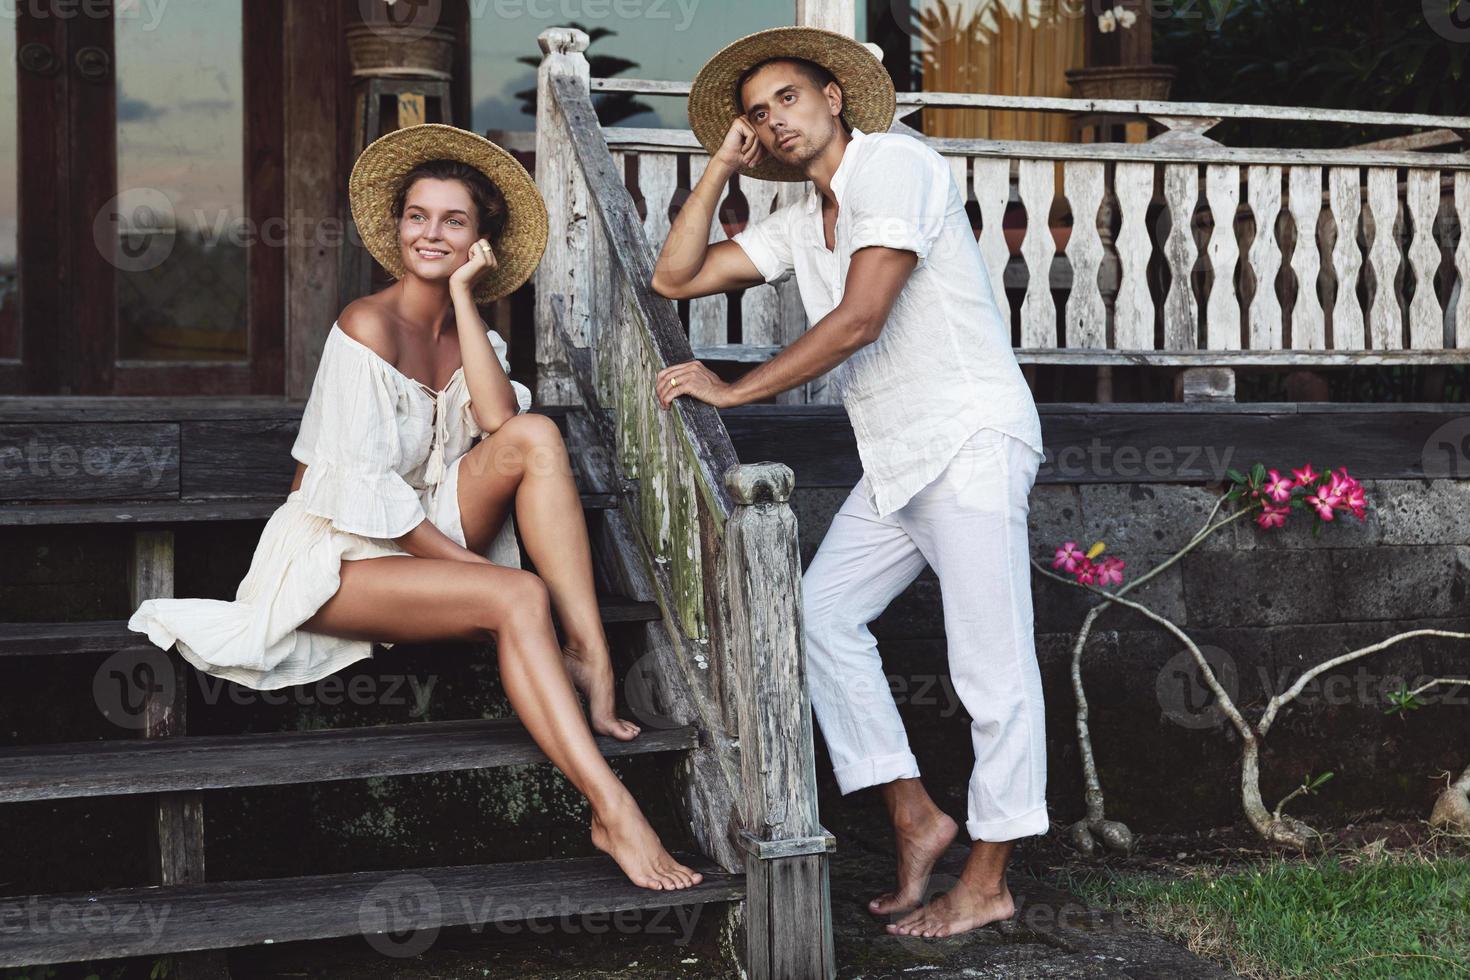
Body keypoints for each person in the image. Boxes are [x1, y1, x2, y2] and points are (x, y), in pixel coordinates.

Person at [129, 124, 703, 892]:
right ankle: (613, 809)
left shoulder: (473, 331)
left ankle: (591, 655)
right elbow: (364, 498)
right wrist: (479, 573)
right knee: (516, 593)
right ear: (397, 226)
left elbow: (503, 424)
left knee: (536, 435)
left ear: (481, 239)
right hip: (337, 555)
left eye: (453, 221)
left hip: (423, 529)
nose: (430, 233)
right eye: (417, 216)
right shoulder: (365, 326)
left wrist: (466, 298)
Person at [648, 28, 1049, 935]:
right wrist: (718, 166)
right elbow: (674, 276)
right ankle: (915, 815)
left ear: (834, 96)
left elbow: (863, 317)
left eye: (786, 98)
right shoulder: (800, 221)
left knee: (993, 670)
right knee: (819, 618)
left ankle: (987, 882)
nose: (773, 121)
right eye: (755, 114)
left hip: (969, 438)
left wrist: (735, 390)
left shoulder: (895, 164)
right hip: (898, 457)